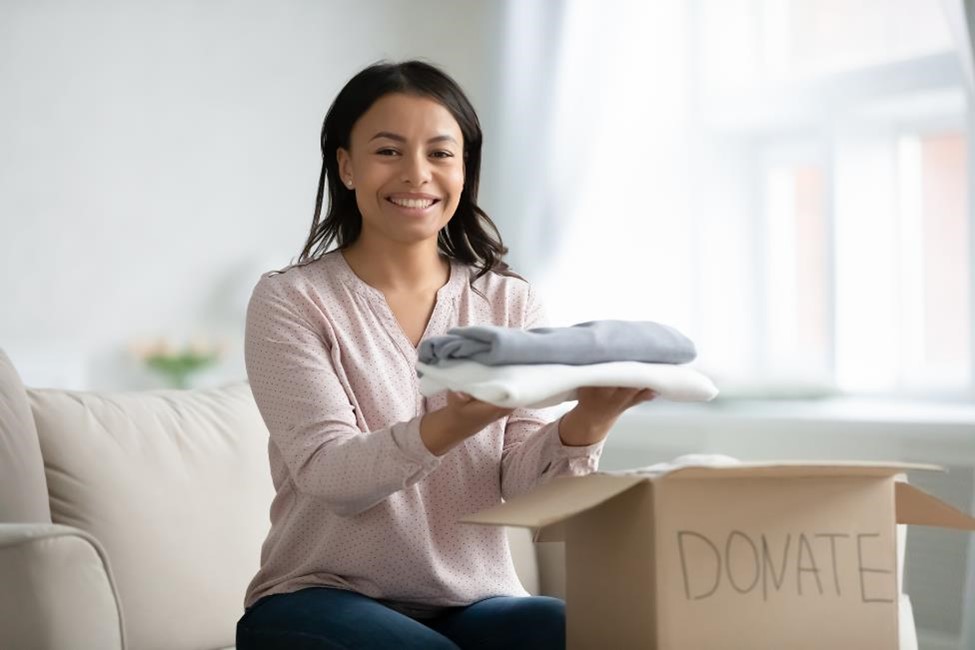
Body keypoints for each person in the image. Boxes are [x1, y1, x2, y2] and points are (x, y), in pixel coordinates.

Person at [235, 59, 655, 650]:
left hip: (473, 599)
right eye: (388, 151)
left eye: (439, 153)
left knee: (589, 632)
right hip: (319, 597)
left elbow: (526, 494)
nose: (416, 175)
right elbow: (331, 476)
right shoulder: (291, 300)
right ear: (347, 166)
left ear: (464, 170)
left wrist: (590, 421)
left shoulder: (508, 300)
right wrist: (452, 422)